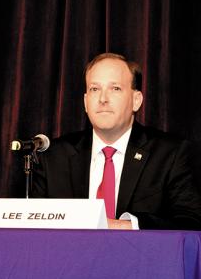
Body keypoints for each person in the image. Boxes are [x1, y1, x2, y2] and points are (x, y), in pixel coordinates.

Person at [32, 53, 201, 230]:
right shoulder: (53, 157)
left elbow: (191, 221)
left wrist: (129, 226)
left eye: (115, 89)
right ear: (85, 102)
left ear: (136, 101)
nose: (103, 99)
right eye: (94, 89)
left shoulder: (170, 154)